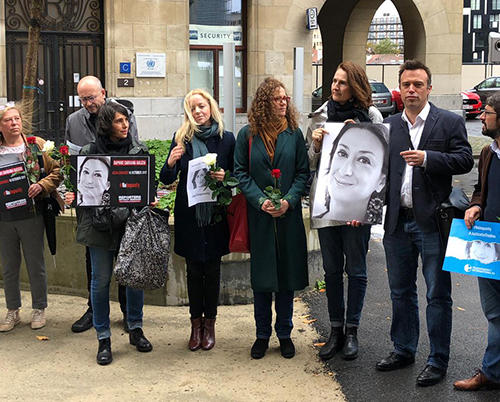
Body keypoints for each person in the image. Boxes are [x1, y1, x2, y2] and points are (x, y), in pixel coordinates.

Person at [377, 60, 474, 386]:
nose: (412, 90)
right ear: (400, 88)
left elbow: (463, 159)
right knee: (400, 291)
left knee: (437, 294)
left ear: (429, 88)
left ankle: (437, 361)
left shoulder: (448, 122)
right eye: (406, 85)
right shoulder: (390, 125)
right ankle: (403, 349)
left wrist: (429, 159)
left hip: (432, 223)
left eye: (418, 84)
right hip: (397, 223)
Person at [65, 101, 153, 365]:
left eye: (126, 120)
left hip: (130, 226)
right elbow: (79, 188)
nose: (125, 125)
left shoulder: (139, 150)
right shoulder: (90, 152)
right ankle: (103, 336)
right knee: (100, 282)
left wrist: (149, 195)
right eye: (118, 121)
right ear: (106, 124)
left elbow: (150, 185)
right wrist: (74, 195)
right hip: (99, 228)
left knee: (134, 279)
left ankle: (135, 329)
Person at [306, 61, 383, 361]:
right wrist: (314, 145)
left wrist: (361, 133)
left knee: (358, 269)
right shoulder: (321, 115)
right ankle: (335, 330)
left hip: (358, 207)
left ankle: (352, 331)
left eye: (342, 83)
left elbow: (379, 164)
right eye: (334, 82)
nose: (335, 87)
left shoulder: (372, 116)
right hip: (327, 202)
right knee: (332, 269)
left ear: (356, 86)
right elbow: (308, 162)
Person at [234, 77, 309, 359]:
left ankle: (285, 334)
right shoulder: (248, 135)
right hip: (260, 218)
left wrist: (289, 201)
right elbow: (240, 172)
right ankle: (262, 334)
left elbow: (303, 173)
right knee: (263, 279)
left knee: (287, 278)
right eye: (277, 99)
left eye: (285, 99)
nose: (283, 102)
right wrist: (260, 200)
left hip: (287, 218)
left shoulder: (294, 133)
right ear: (265, 102)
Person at [160, 89, 235, 351]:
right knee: (193, 272)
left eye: (201, 106)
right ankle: (195, 325)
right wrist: (170, 162)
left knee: (212, 271)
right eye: (192, 108)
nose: (198, 112)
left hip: (214, 215)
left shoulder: (226, 139)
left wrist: (224, 176)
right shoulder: (182, 139)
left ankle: (210, 325)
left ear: (211, 107)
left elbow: (236, 176)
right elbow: (166, 178)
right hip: (189, 214)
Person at [65, 75, 136, 333]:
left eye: (91, 97)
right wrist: (76, 191)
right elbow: (72, 161)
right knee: (95, 268)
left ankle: (129, 314)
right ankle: (94, 311)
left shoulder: (122, 114)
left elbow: (134, 153)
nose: (87, 103)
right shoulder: (73, 121)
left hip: (123, 206)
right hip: (93, 207)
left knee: (127, 262)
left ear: (103, 93)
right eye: (83, 98)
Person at [0, 102, 62, 332]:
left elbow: (58, 171)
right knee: (9, 266)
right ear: (0, 125)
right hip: (4, 217)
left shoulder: (36, 146)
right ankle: (12, 310)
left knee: (35, 263)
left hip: (31, 214)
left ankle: (39, 308)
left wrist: (42, 185)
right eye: (8, 120)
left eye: (16, 119)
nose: (14, 123)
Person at [453, 92, 500, 391]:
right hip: (488, 245)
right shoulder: (487, 153)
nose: (481, 116)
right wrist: (476, 205)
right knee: (494, 313)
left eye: (488, 112)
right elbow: (481, 189)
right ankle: (492, 373)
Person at [314, 123, 388, 223]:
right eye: (342, 153)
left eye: (364, 160)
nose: (345, 170)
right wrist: (317, 145)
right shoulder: (319, 222)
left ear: (381, 181)